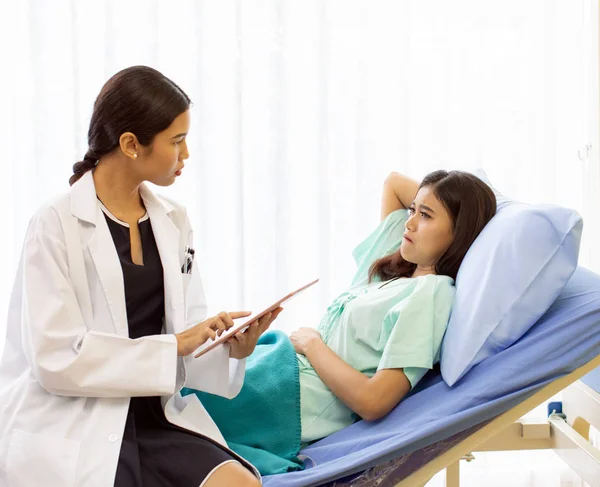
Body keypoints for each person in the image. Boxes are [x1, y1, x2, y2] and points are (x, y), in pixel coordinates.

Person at [0, 66, 281, 487]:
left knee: (242, 483)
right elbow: (54, 359)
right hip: (76, 419)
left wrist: (229, 347)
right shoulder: (55, 222)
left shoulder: (174, 219)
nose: (186, 155)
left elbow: (187, 332)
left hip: (154, 413)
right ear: (131, 144)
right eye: (177, 141)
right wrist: (175, 345)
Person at [190, 169, 497, 471]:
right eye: (413, 209)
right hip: (274, 364)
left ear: (459, 233)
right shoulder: (400, 261)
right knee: (178, 378)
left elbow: (374, 401)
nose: (410, 221)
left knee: (171, 404)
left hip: (287, 396)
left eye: (426, 216)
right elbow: (393, 183)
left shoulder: (432, 292)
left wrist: (313, 345)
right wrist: (435, 197)